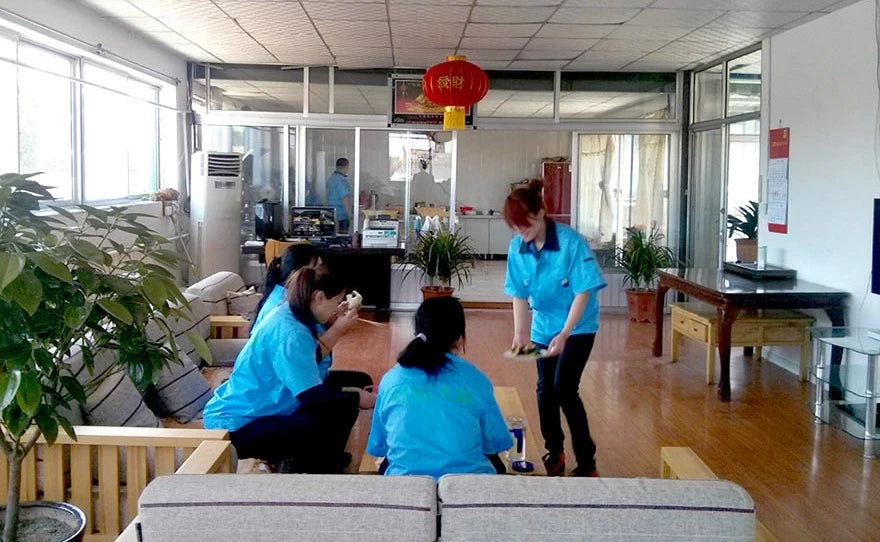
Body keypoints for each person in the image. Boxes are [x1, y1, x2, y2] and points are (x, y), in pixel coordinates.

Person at [203, 265, 376, 473]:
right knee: (340, 406)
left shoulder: (294, 311)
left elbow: (307, 359)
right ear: (319, 297)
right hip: (239, 425)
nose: (338, 306)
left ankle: (324, 458)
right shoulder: (290, 332)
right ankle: (311, 469)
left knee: (353, 382)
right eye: (337, 301)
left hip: (272, 398)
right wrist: (358, 399)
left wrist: (332, 320)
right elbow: (311, 396)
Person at [503, 179, 607, 478]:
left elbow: (583, 292)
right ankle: (555, 449)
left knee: (564, 387)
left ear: (542, 212)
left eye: (526, 225)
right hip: (544, 323)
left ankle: (587, 461)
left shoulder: (571, 242)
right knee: (544, 390)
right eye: (516, 228)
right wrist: (520, 333)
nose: (521, 233)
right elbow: (519, 292)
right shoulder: (517, 246)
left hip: (579, 324)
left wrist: (565, 334)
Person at [367, 297, 512, 480]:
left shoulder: (391, 380)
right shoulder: (475, 380)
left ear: (417, 332)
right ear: (459, 338)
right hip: (467, 483)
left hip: (406, 482)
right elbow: (493, 444)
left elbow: (380, 446)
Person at [252, 243, 320, 330]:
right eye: (317, 269)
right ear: (298, 273)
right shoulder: (285, 304)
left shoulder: (282, 293)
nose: (321, 275)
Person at [327, 157, 352, 233]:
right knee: (342, 237)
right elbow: (345, 198)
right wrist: (349, 214)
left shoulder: (331, 179)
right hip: (341, 215)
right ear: (346, 167)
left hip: (331, 213)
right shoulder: (341, 180)